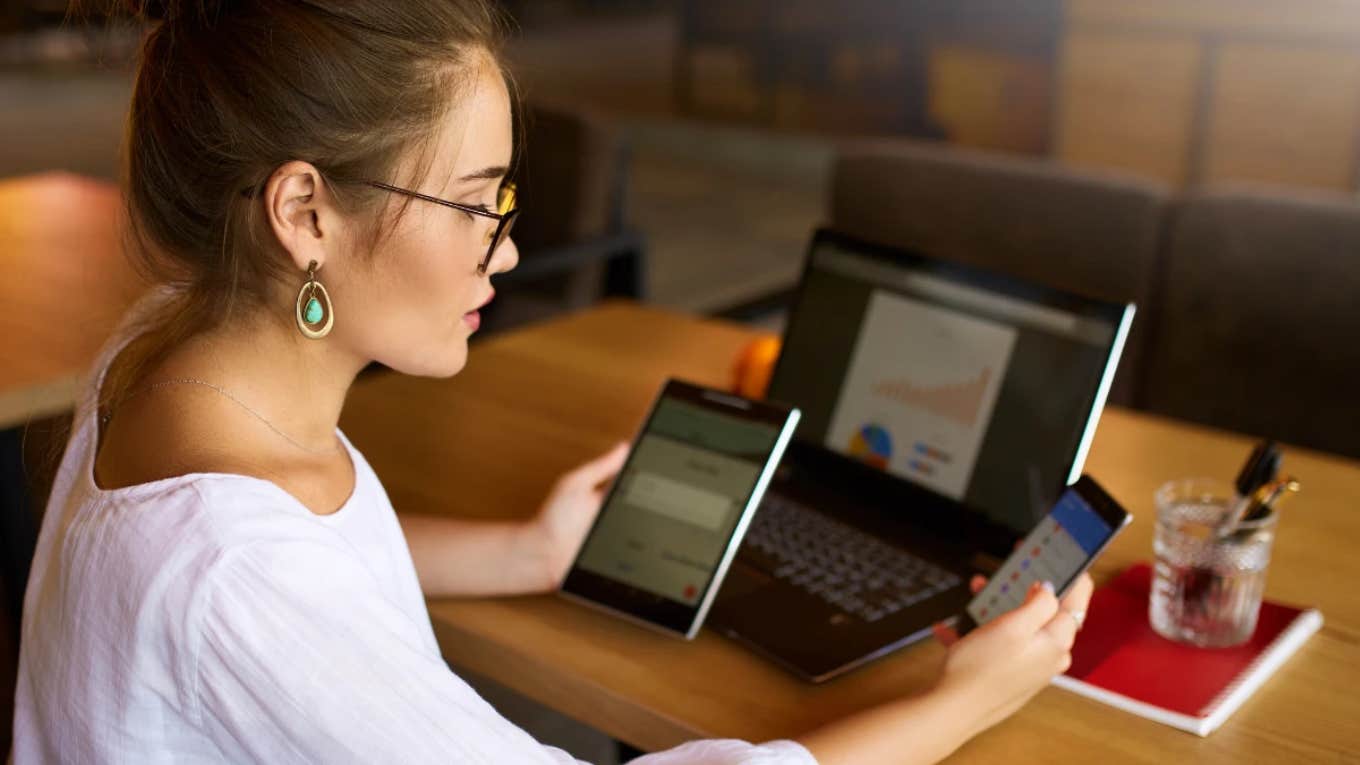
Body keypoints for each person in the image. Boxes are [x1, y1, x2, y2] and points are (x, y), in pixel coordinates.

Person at [13, 2, 1094, 763]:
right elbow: (258, 585)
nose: (508, 250)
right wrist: (961, 702)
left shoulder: (172, 348)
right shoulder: (232, 571)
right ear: (304, 213)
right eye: (476, 203)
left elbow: (314, 555)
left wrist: (530, 551)